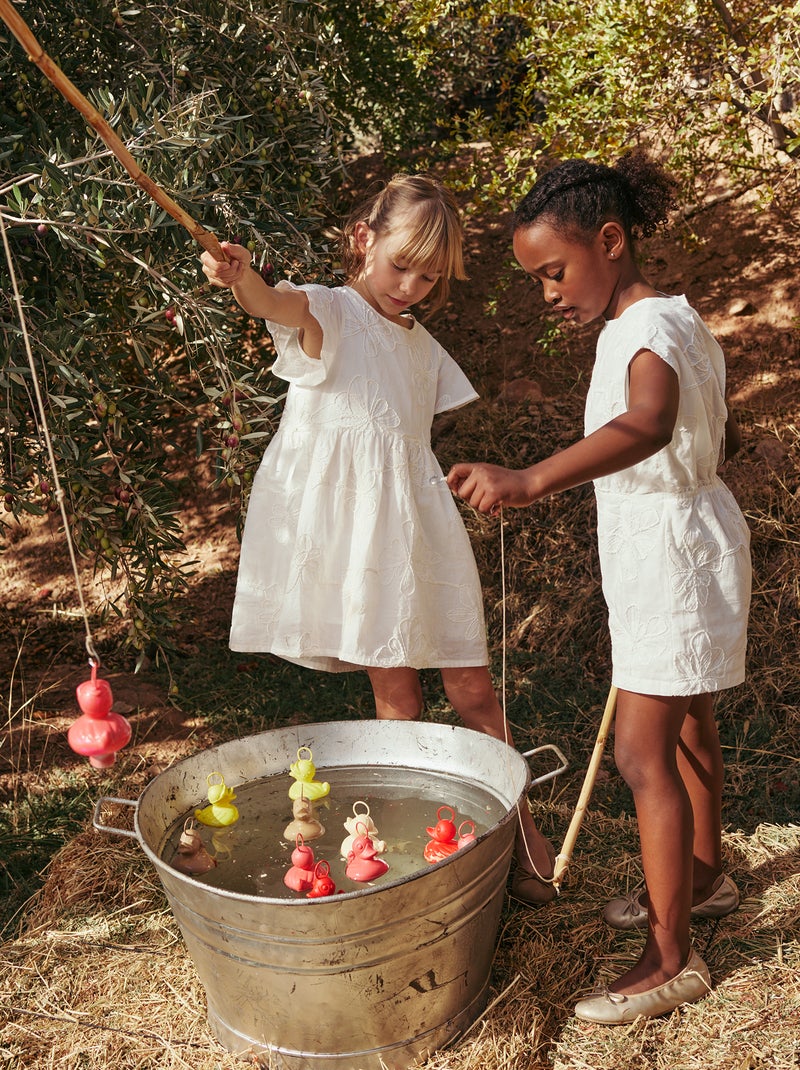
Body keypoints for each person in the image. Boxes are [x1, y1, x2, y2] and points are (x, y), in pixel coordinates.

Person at [447, 153, 751, 1023]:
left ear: (610, 241)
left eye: (554, 271)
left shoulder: (646, 328)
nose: (546, 293)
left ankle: (669, 960)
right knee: (688, 721)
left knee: (637, 755)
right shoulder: (669, 315)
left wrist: (532, 478)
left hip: (670, 551)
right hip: (683, 541)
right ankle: (701, 879)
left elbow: (649, 423)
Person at [199, 172, 555, 904]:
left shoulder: (421, 348)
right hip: (360, 537)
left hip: (416, 526)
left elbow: (400, 440)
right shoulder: (328, 310)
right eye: (401, 266)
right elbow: (274, 303)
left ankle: (519, 833)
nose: (413, 287)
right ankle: (424, 851)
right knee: (396, 692)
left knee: (473, 687)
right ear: (363, 240)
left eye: (430, 276)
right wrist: (242, 280)